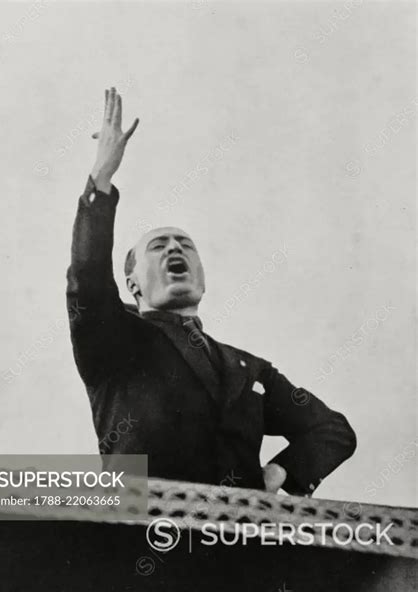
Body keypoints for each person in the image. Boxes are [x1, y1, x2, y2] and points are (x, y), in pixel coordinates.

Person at [66, 87, 356, 496]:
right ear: (132, 284)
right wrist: (101, 179)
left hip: (237, 546)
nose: (174, 248)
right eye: (159, 245)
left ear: (202, 278)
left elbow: (332, 429)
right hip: (140, 538)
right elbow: (87, 277)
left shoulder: (249, 369)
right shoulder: (115, 340)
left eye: (185, 244)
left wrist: (279, 473)